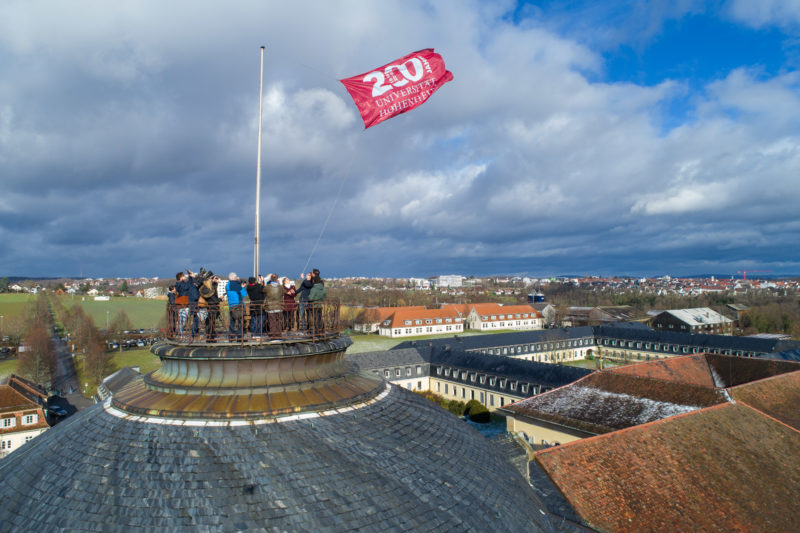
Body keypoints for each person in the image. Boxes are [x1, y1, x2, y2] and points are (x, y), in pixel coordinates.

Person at [225, 273, 247, 340]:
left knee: (232, 321)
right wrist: (242, 287)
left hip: (231, 305)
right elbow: (244, 294)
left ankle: (231, 336)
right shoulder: (237, 285)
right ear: (234, 278)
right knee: (240, 321)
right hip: (239, 305)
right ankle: (240, 336)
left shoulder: (227, 285)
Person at [264, 274, 283, 339]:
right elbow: (285, 292)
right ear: (277, 279)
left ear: (271, 279)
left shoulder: (267, 287)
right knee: (279, 321)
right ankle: (279, 335)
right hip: (279, 306)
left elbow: (263, 291)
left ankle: (273, 335)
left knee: (272, 321)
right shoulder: (280, 287)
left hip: (270, 306)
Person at [307, 268, 326, 333]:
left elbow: (311, 298)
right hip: (319, 305)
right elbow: (324, 296)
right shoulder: (323, 287)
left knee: (315, 318)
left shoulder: (314, 289)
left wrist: (308, 297)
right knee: (319, 317)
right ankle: (322, 329)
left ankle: (317, 331)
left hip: (314, 305)